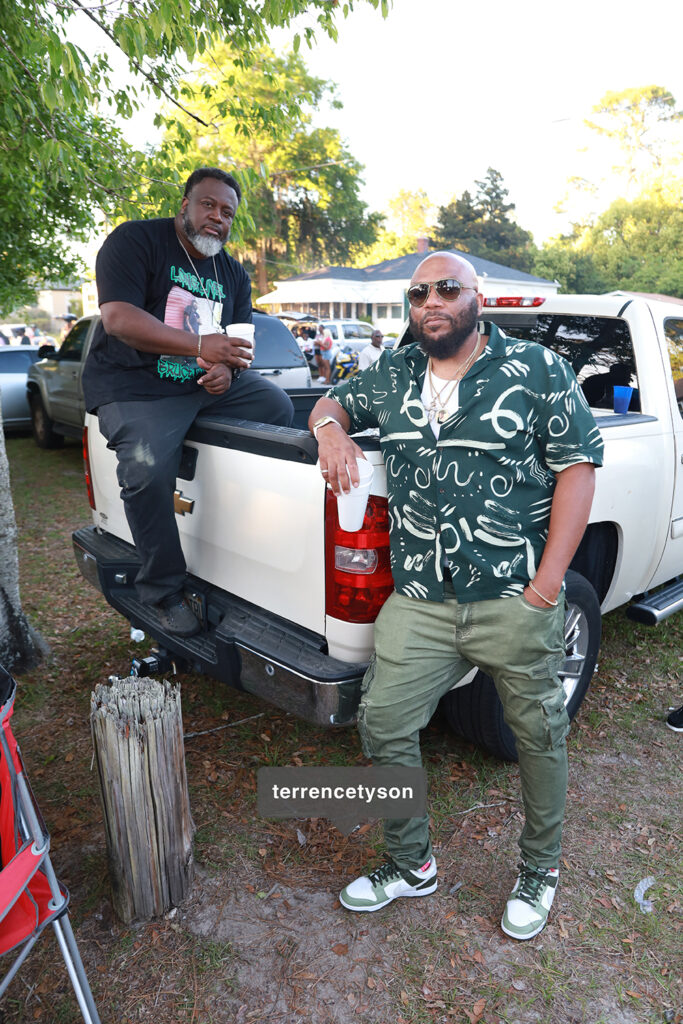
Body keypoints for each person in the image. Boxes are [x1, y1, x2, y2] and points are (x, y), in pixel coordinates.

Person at [309, 251, 604, 941]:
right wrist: (329, 430)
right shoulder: (393, 371)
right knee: (383, 721)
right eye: (418, 294)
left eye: (446, 288)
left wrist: (548, 586)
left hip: (513, 596)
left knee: (538, 735)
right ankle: (410, 863)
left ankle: (540, 869)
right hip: (419, 599)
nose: (431, 302)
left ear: (477, 297)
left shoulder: (536, 369)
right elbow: (331, 401)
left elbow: (577, 468)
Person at [82, 166, 294, 637]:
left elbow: (238, 346)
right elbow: (118, 319)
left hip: (198, 389)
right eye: (208, 205)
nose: (217, 217)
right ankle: (163, 590)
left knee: (275, 406)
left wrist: (227, 370)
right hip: (136, 387)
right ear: (185, 205)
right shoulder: (136, 241)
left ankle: (243, 531)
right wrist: (201, 346)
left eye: (227, 213)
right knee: (146, 471)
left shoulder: (232, 273)